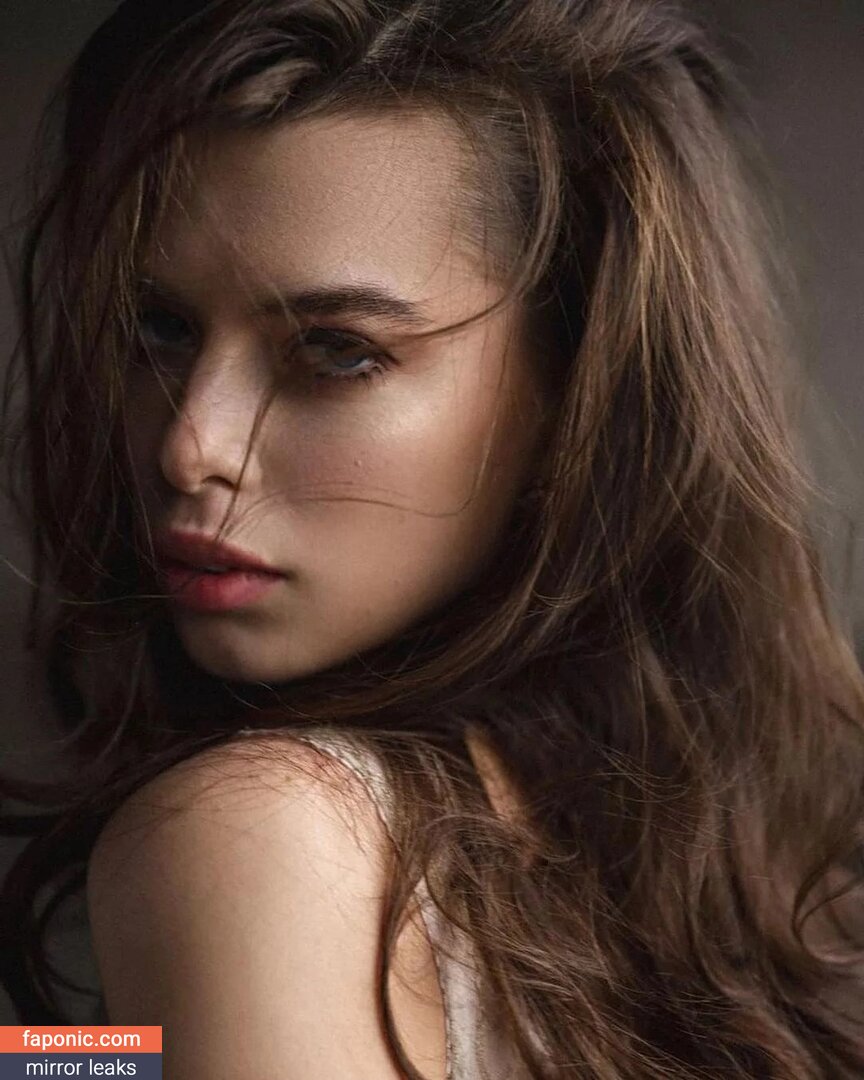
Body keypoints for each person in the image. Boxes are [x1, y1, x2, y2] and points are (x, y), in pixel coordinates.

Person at [1, 0, 863, 1076]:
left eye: (337, 351)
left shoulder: (261, 834)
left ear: (575, 390)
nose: (190, 446)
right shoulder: (731, 875)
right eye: (160, 328)